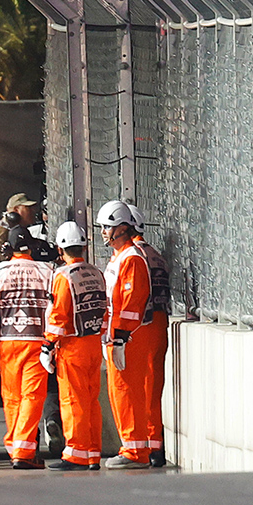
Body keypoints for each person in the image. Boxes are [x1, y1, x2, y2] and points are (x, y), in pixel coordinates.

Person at [97, 199, 170, 469]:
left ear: (123, 228)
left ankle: (134, 451)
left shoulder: (132, 258)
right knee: (130, 392)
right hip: (129, 335)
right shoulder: (126, 257)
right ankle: (141, 448)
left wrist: (119, 337)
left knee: (127, 392)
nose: (103, 232)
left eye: (107, 227)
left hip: (129, 337)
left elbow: (131, 301)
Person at [0, 225, 54, 468]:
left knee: (11, 397)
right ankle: (23, 450)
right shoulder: (46, 271)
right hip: (37, 343)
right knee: (32, 395)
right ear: (31, 247)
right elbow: (55, 309)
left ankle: (16, 448)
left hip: (8, 344)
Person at [41, 221, 108, 470]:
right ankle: (92, 453)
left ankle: (76, 455)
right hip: (92, 344)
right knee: (92, 401)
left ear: (60, 249)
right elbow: (104, 309)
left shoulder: (62, 276)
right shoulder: (96, 273)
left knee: (72, 400)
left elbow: (58, 316)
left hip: (72, 347)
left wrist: (48, 345)